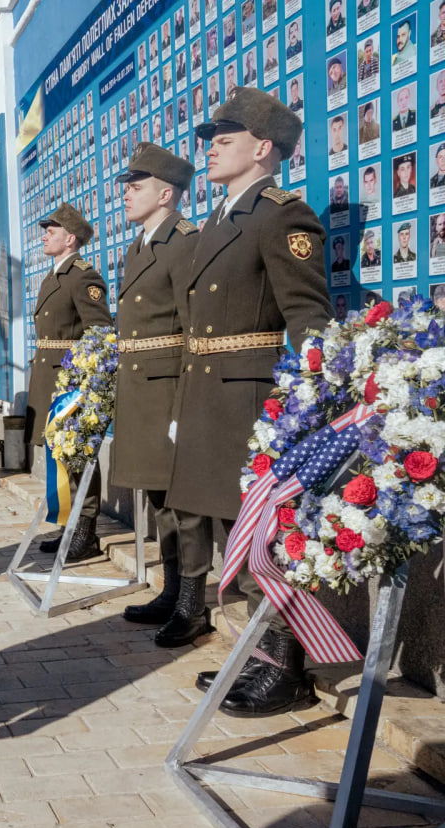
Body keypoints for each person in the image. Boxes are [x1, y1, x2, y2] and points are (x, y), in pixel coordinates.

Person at [178, 87, 334, 714]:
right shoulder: (220, 219)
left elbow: (308, 315)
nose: (210, 147)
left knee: (263, 541)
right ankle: (263, 654)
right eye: (211, 139)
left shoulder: (280, 215)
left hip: (252, 404)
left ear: (264, 148)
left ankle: (287, 667)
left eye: (226, 138)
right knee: (230, 539)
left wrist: (303, 407)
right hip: (206, 400)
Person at [111, 144, 200, 634]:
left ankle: (192, 604)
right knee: (160, 498)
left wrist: (185, 403)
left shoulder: (183, 241)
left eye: (137, 185)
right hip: (141, 388)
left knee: (183, 503)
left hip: (168, 388)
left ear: (166, 193)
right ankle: (171, 591)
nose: (127, 193)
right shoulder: (141, 244)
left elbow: (192, 328)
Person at [30, 203, 114, 561]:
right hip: (48, 374)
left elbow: (100, 333)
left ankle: (86, 530)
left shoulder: (82, 276)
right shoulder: (54, 276)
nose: (45, 235)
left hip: (69, 381)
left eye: (52, 230)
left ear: (71, 238)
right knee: (59, 456)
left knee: (77, 455)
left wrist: (85, 384)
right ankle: (68, 523)